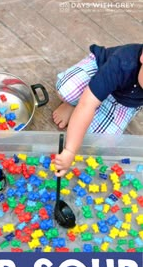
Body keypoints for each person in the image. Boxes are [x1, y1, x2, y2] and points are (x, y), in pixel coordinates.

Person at [53, 43, 143, 176]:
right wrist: (70, 151)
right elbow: (86, 104)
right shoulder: (122, 62)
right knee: (66, 89)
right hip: (100, 70)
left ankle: (99, 105)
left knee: (102, 140)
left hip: (124, 101)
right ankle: (72, 104)